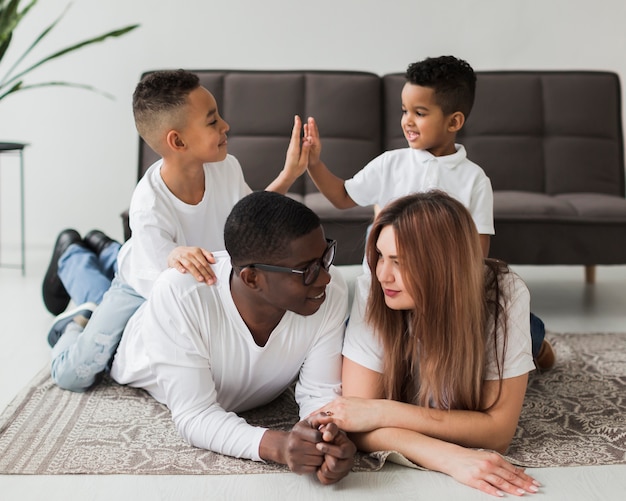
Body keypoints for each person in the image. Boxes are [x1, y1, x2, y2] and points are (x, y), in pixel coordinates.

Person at [44, 69, 310, 392]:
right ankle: (74, 299)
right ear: (178, 141)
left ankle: (102, 248)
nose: (226, 125)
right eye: (213, 121)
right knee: (76, 375)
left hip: (167, 267)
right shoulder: (147, 204)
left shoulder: (226, 168)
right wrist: (173, 256)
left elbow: (252, 219)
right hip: (139, 285)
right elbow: (162, 286)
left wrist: (288, 174)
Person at [297, 55, 553, 369]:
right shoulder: (391, 163)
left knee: (501, 325)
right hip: (389, 291)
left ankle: (535, 340)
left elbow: (478, 252)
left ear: (454, 121)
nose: (407, 121)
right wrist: (314, 165)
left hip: (445, 292)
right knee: (350, 349)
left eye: (419, 113)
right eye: (404, 111)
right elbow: (342, 196)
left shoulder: (474, 180)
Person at [110, 191, 356, 484]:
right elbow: (195, 415)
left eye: (325, 257)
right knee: (76, 360)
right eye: (306, 270)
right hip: (129, 337)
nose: (325, 277)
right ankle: (86, 255)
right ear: (252, 278)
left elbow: (319, 391)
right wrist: (280, 446)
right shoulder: (181, 294)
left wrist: (325, 438)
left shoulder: (329, 290)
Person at [313, 191, 540, 496]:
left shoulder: (505, 293)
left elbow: (498, 433)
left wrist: (383, 412)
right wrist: (448, 457)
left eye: (399, 262)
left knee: (533, 337)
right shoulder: (375, 287)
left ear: (441, 266)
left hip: (497, 324)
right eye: (380, 256)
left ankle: (540, 347)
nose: (383, 274)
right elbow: (355, 418)